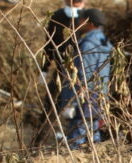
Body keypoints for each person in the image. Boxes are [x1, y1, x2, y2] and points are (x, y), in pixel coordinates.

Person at [61, 8, 112, 148]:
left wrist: (72, 104)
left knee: (76, 142)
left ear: (89, 22)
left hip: (83, 104)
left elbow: (84, 76)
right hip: (97, 101)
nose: (79, 23)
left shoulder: (87, 45)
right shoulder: (105, 43)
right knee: (92, 143)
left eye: (81, 20)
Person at [42, 0, 86, 114]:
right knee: (52, 99)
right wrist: (45, 68)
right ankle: (46, 125)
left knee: (73, 104)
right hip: (61, 66)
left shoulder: (87, 18)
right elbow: (49, 43)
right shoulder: (57, 16)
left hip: (81, 70)